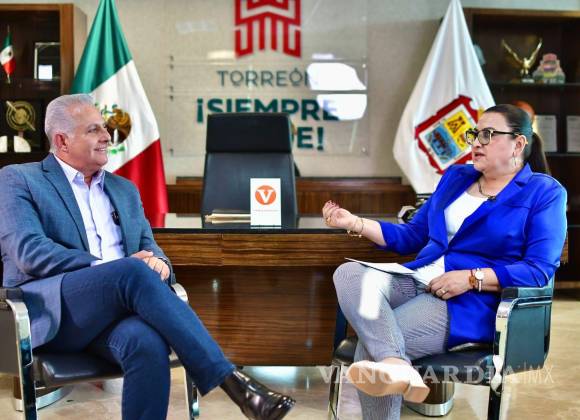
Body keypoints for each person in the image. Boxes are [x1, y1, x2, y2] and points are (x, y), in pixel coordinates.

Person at [0, 94, 295, 420]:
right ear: (62, 141)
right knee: (131, 271)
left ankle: (234, 385)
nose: (107, 136)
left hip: (117, 313)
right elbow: (29, 251)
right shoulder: (19, 179)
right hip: (55, 314)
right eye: (93, 130)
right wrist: (116, 269)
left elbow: (151, 249)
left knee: (146, 342)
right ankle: (233, 382)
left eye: (105, 128)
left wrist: (159, 266)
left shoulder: (124, 190)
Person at [322, 104, 566, 419]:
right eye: (474, 134)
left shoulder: (543, 192)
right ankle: (396, 364)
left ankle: (391, 362)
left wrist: (471, 277)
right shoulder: (456, 177)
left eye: (487, 134)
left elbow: (538, 270)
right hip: (418, 278)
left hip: (467, 300)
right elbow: (412, 235)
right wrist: (354, 222)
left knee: (371, 347)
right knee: (350, 273)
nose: (476, 142)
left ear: (518, 144)